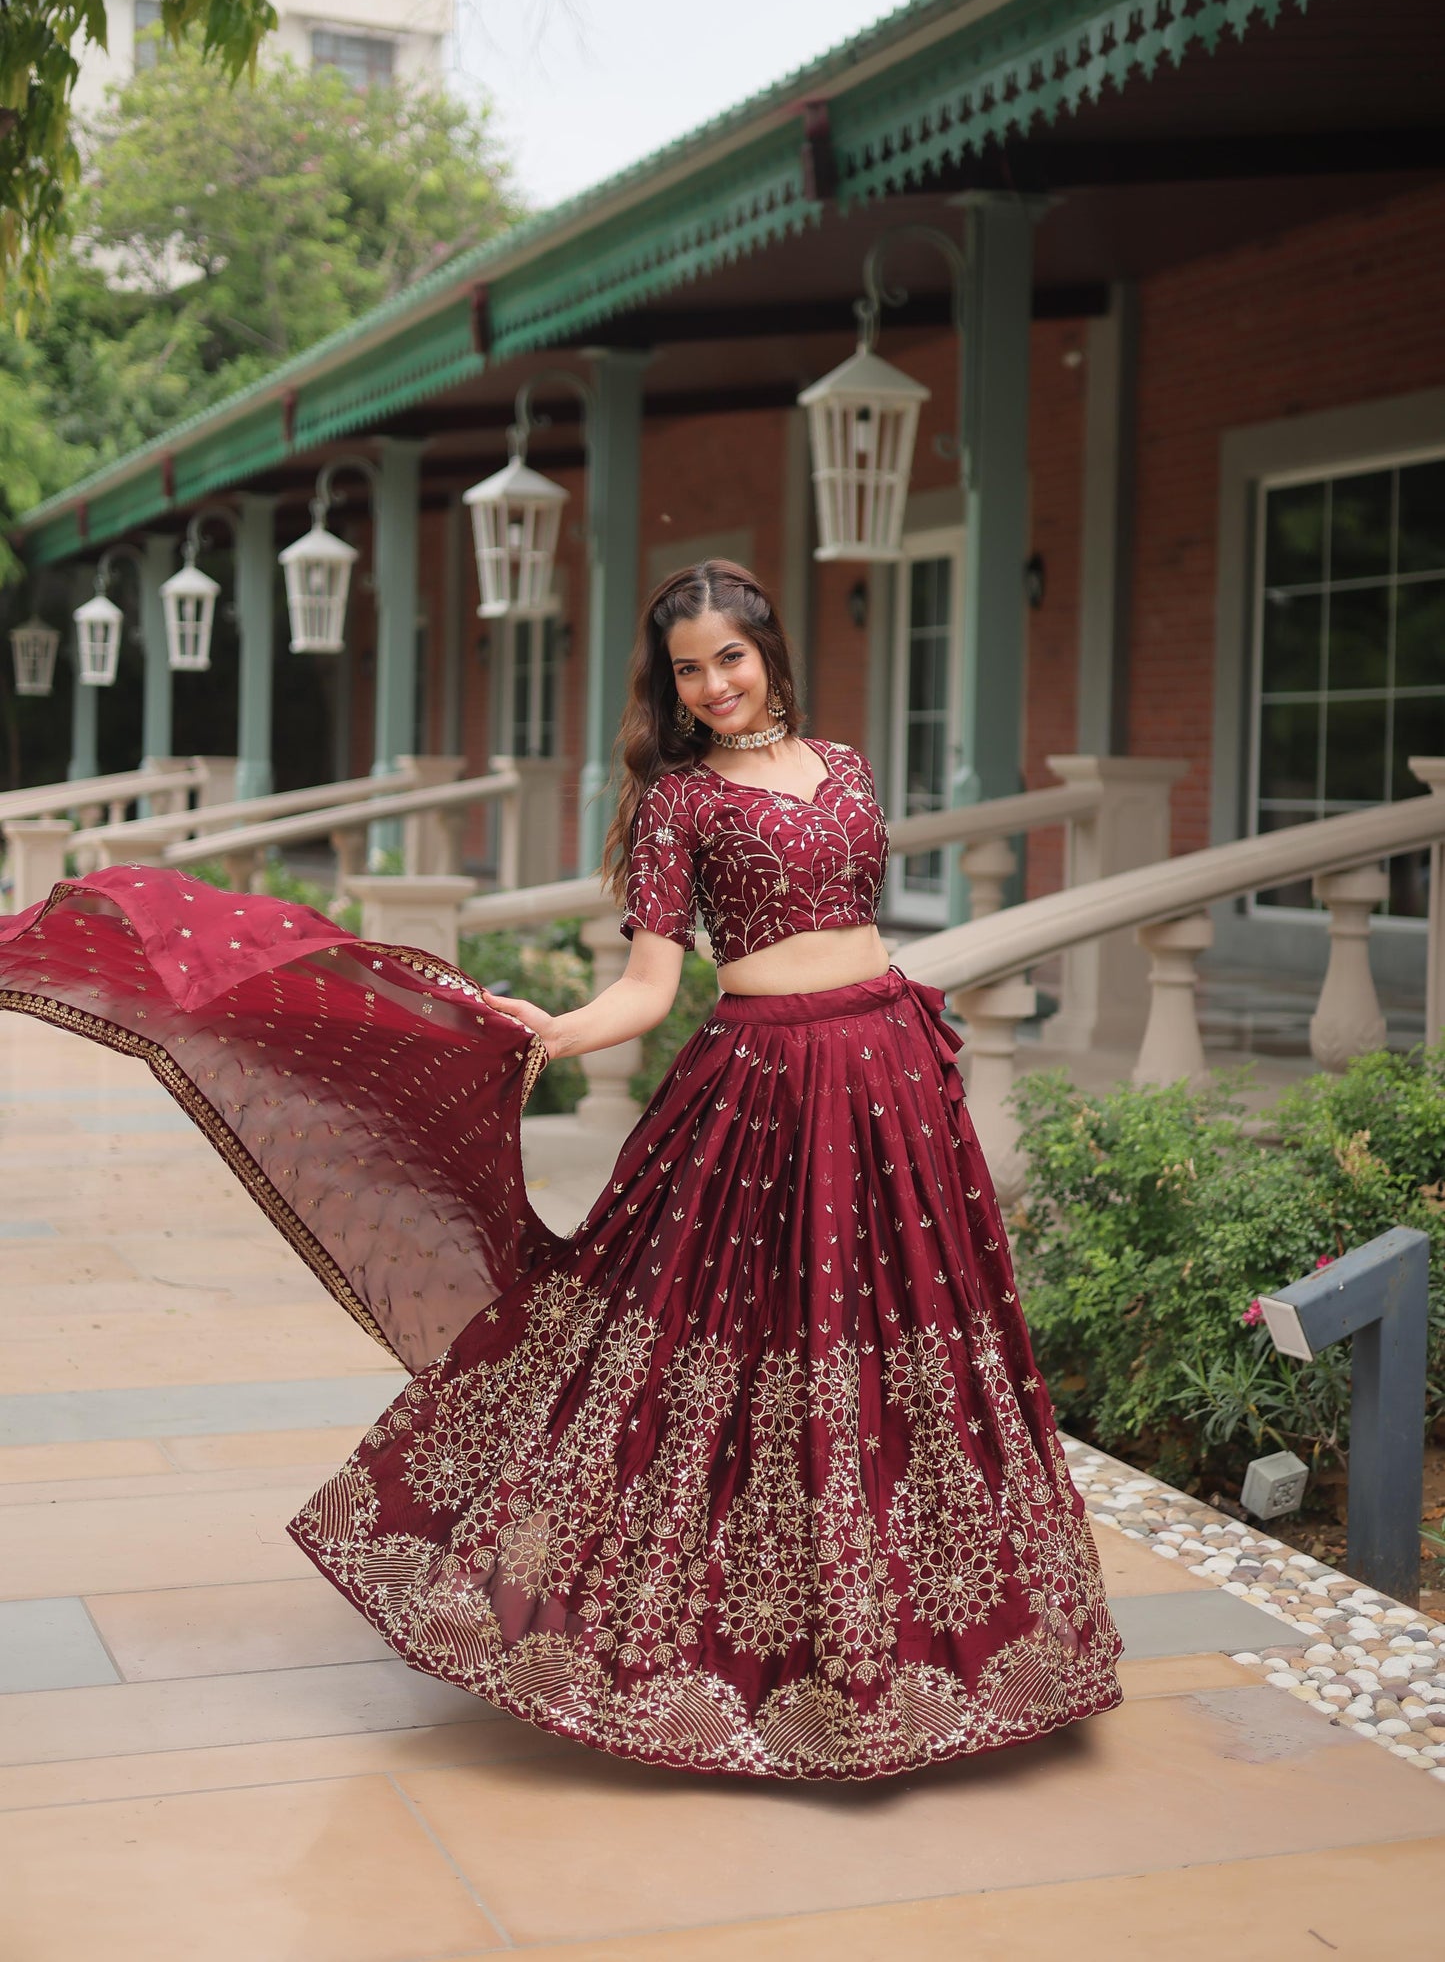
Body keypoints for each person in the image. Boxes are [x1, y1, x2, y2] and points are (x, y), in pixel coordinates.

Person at [0, 558, 1121, 1780]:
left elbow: (859, 919)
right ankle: (736, 1662)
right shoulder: (678, 806)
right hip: (764, 1091)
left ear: (767, 649)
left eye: (727, 659)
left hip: (888, 1076)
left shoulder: (846, 767)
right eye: (687, 670)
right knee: (720, 1358)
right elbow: (650, 987)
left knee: (905, 1348)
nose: (711, 686)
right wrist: (548, 1028)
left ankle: (940, 1649)